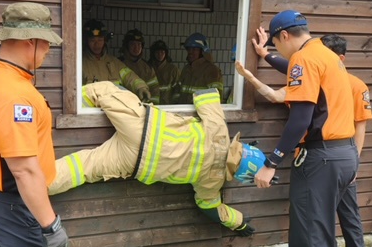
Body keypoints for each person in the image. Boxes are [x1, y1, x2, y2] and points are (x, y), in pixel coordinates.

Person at [50, 81, 276, 237]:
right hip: (134, 162)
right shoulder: (212, 183)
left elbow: (204, 93)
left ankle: (54, 108)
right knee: (83, 167)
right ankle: (35, 184)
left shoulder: (219, 131)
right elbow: (210, 209)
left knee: (106, 90)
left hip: (140, 127)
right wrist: (240, 222)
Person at [236, 30, 372, 247]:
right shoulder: (318, 75)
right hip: (337, 160)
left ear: (338, 59)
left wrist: (272, 161)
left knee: (329, 224)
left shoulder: (350, 83)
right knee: (315, 223)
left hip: (332, 159)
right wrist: (264, 57)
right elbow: (284, 80)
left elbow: (358, 126)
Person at [0, 2, 69, 247]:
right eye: (46, 43)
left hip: (0, 196)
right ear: (30, 41)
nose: (48, 51)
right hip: (15, 203)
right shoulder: (14, 96)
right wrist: (51, 225)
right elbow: (24, 170)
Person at [82, 19, 151, 102]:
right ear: (86, 41)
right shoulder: (80, 64)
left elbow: (130, 77)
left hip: (115, 111)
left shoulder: (114, 62)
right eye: (92, 40)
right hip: (91, 113)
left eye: (100, 40)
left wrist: (141, 88)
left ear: (105, 41)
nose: (97, 44)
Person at [174, 32, 224, 104]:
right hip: (183, 113)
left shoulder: (212, 70)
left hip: (201, 114)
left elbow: (216, 100)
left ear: (203, 51)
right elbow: (177, 92)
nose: (190, 52)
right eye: (189, 49)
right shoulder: (186, 69)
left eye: (194, 49)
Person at [120, 28, 160, 104]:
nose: (136, 48)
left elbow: (155, 91)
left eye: (139, 44)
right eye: (133, 44)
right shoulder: (118, 64)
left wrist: (153, 108)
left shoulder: (147, 67)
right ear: (126, 46)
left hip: (143, 109)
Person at [148, 40, 180, 104]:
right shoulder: (148, 68)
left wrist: (174, 104)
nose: (160, 54)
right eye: (157, 52)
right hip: (151, 104)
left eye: (162, 52)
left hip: (167, 105)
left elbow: (177, 89)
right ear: (153, 53)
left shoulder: (172, 69)